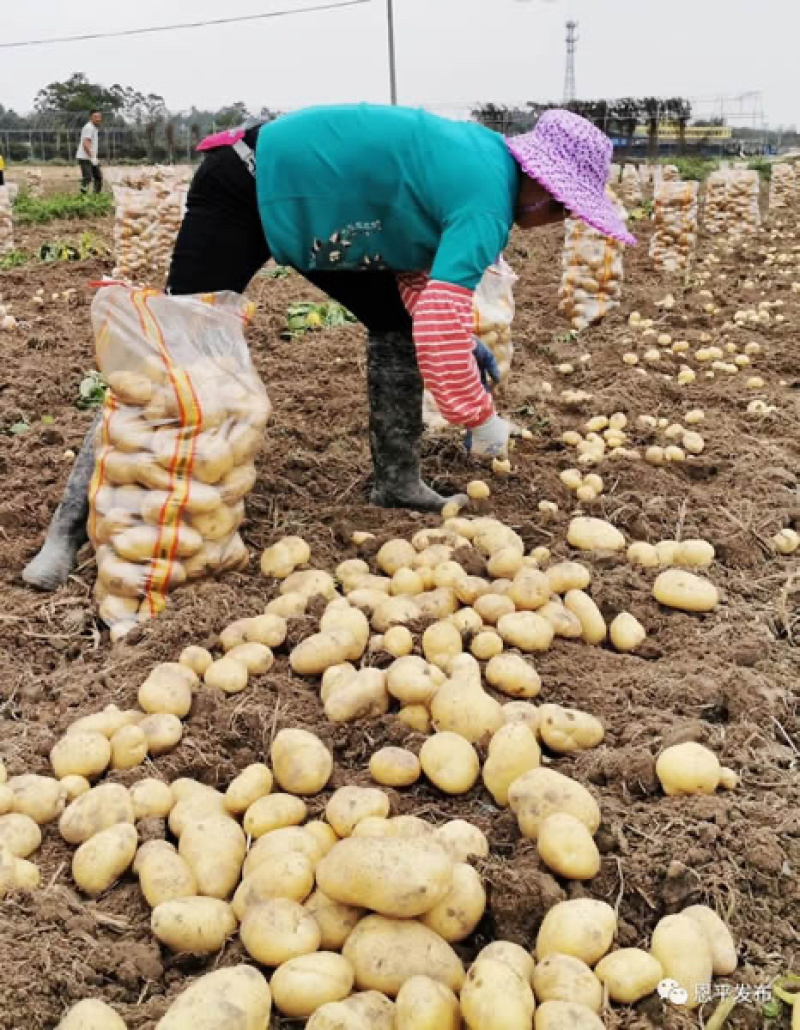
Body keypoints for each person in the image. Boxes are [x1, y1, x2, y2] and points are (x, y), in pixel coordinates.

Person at [23, 104, 634, 591]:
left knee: (395, 322)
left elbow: (418, 278)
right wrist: (480, 414)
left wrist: (462, 344)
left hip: (334, 226)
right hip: (249, 183)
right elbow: (440, 321)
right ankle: (67, 529)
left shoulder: (483, 167)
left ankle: (396, 481)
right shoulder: (487, 197)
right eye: (565, 211)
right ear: (543, 188)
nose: (559, 222)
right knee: (172, 356)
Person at [77, 110, 103, 194]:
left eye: (99, 117)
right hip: (85, 158)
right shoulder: (89, 127)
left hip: (91, 157)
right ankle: (83, 197)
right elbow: (85, 143)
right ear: (91, 117)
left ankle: (96, 196)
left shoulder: (94, 128)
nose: (98, 119)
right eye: (96, 117)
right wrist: (92, 157)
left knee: (98, 177)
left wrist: (93, 157)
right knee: (87, 177)